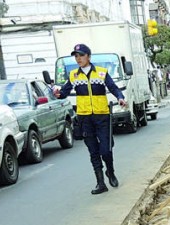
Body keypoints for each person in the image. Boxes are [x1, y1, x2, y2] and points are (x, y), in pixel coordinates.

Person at [54, 43, 126, 194]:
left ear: (88, 56)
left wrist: (120, 97)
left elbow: (113, 87)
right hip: (85, 118)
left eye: (81, 55)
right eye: (76, 56)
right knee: (93, 151)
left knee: (106, 149)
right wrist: (58, 94)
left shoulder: (101, 72)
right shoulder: (74, 75)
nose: (78, 58)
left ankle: (110, 172)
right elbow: (64, 93)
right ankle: (101, 183)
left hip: (102, 116)